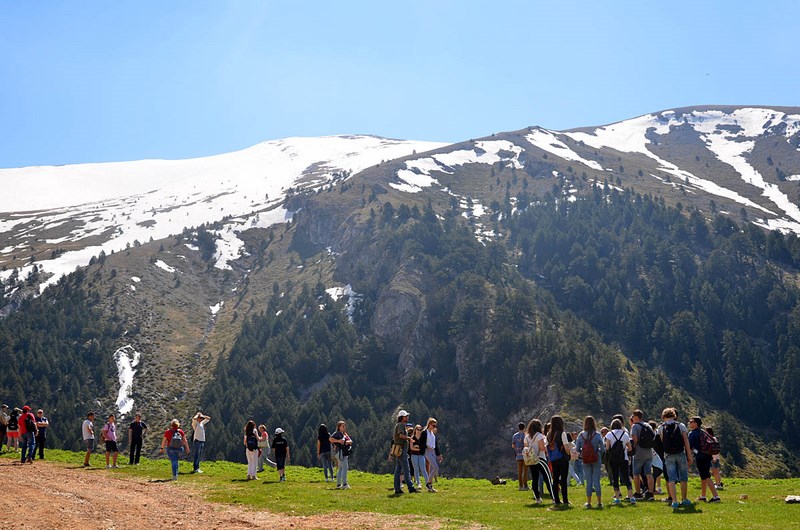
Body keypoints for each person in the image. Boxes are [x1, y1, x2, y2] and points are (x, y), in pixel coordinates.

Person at [657, 407, 693, 508]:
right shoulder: (680, 426)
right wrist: (689, 455)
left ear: (664, 416)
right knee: (683, 477)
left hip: (668, 455)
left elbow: (661, 441)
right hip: (680, 453)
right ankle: (684, 499)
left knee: (671, 478)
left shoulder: (661, 428)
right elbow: (686, 441)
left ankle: (674, 501)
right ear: (674, 415)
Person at [688, 417, 720, 502]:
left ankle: (716, 497)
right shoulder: (702, 432)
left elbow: (689, 447)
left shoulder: (692, 433)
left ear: (696, 423)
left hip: (700, 456)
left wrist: (688, 457)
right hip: (707, 455)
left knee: (706, 476)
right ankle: (703, 496)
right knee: (703, 476)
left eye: (691, 422)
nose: (689, 423)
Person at [575, 416, 604, 508]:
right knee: (597, 480)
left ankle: (589, 502)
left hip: (586, 459)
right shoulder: (597, 435)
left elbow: (577, 449)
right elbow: (603, 449)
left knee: (589, 481)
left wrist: (583, 452)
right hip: (596, 458)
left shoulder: (581, 435)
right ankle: (599, 502)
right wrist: (597, 452)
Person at [524, 418, 554, 504]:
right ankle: (554, 498)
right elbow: (542, 448)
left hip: (531, 460)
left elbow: (526, 448)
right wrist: (546, 445)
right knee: (547, 478)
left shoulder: (527, 437)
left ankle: (537, 498)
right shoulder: (539, 436)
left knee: (535, 478)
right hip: (540, 458)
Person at [605, 418, 634, 504]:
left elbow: (607, 448)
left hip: (613, 458)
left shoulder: (609, 434)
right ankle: (631, 496)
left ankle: (617, 497)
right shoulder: (625, 434)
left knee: (615, 476)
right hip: (623, 458)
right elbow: (630, 448)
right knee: (626, 476)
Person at [546, 415, 572, 507]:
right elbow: (566, 447)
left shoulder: (549, 434)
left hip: (553, 458)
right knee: (564, 479)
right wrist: (569, 453)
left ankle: (556, 499)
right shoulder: (562, 433)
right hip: (562, 458)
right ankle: (565, 500)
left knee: (555, 479)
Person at [630, 409, 655, 500]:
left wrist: (633, 448)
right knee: (648, 473)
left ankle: (638, 493)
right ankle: (651, 492)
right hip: (649, 452)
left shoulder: (635, 427)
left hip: (639, 453)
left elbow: (635, 440)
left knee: (636, 474)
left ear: (636, 417)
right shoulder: (648, 426)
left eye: (633, 416)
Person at [391, 410, 417, 494]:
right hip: (401, 450)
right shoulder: (401, 425)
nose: (407, 417)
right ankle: (411, 487)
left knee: (398, 470)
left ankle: (397, 488)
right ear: (402, 417)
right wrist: (409, 438)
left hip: (399, 450)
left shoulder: (399, 425)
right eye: (405, 416)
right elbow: (401, 435)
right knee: (406, 469)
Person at [330, 420, 352, 489]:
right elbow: (330, 439)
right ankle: (345, 484)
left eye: (345, 426)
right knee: (345, 467)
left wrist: (347, 442)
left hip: (342, 452)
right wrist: (338, 441)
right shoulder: (337, 433)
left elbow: (351, 441)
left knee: (340, 468)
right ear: (339, 427)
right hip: (340, 452)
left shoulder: (345, 434)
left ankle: (339, 484)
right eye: (343, 426)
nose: (344, 427)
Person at [409, 424, 429, 490]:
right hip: (414, 455)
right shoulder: (412, 438)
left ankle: (427, 483)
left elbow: (423, 447)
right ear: (415, 430)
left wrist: (417, 447)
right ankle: (418, 483)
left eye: (420, 430)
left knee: (423, 469)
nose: (419, 431)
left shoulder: (422, 438)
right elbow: (411, 448)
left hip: (421, 455)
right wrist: (419, 448)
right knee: (416, 469)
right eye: (418, 429)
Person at [511, 422, 528, 491]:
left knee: (519, 471)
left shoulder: (515, 436)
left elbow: (513, 445)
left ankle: (520, 485)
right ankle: (525, 485)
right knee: (525, 471)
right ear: (524, 428)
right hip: (525, 455)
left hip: (518, 455)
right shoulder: (526, 435)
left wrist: (517, 449)